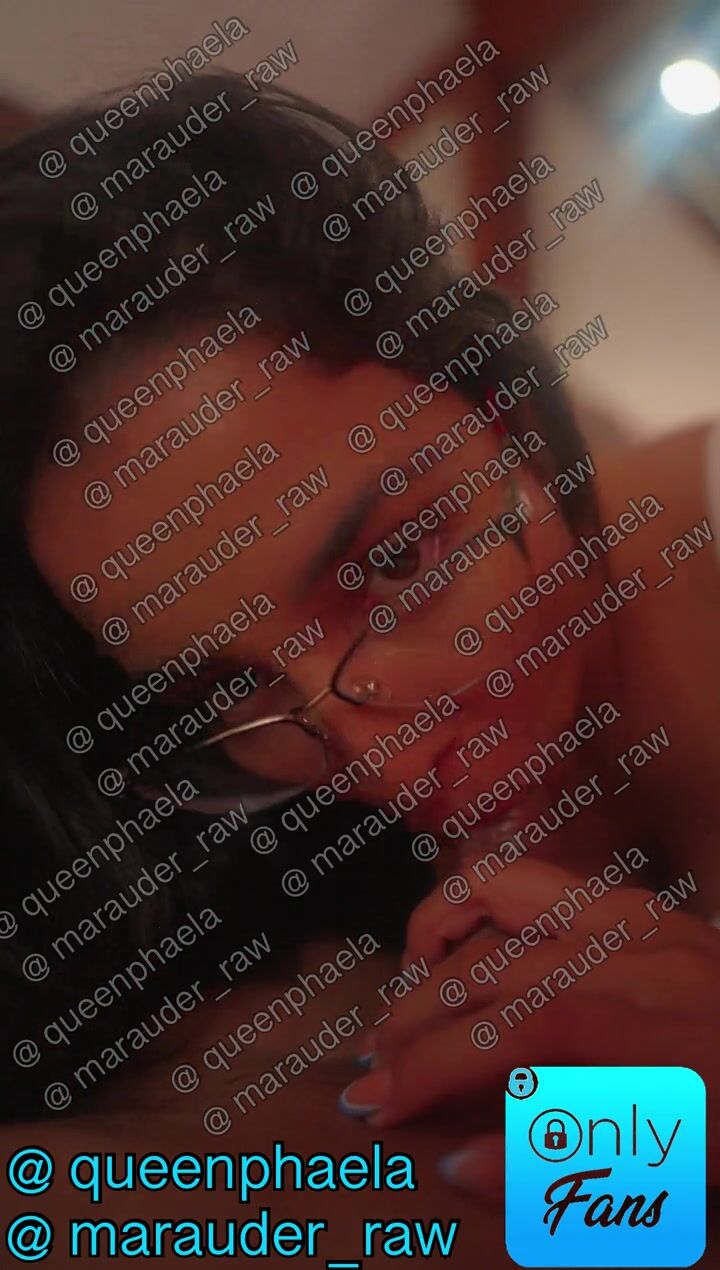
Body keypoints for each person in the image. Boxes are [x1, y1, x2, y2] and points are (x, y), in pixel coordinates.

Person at [3, 70, 720, 1209]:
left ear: (504, 405)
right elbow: (620, 1226)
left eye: (398, 562)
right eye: (223, 694)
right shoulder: (380, 937)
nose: (380, 762)